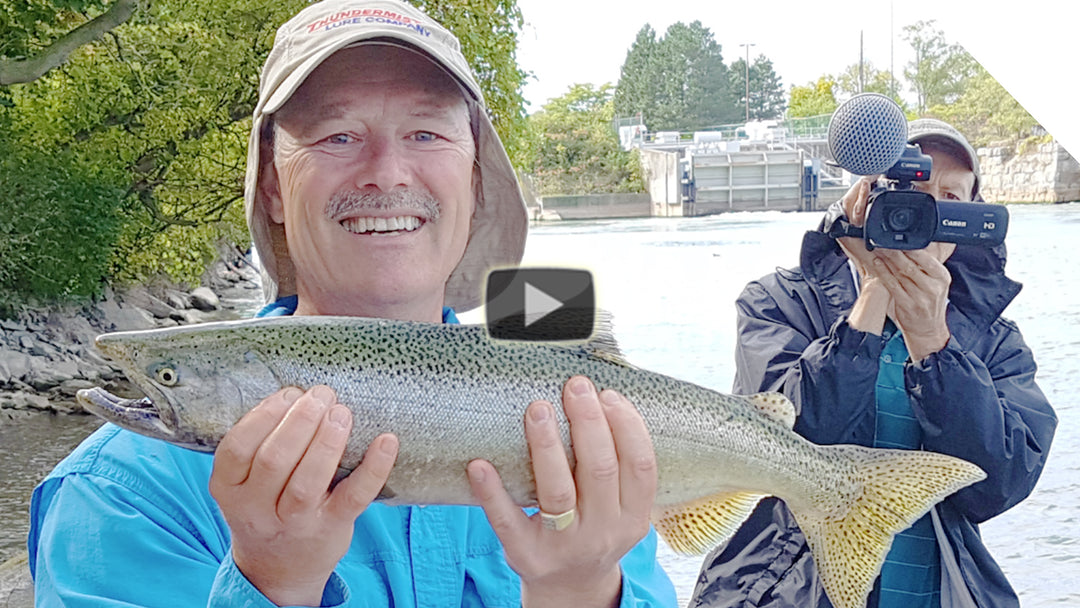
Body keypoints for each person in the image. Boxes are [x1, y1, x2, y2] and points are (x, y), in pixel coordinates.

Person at [27, 1, 676, 606]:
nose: (387, 172)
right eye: (337, 135)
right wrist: (271, 585)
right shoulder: (116, 499)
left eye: (425, 133)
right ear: (274, 185)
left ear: (475, 180)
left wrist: (582, 592)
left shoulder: (592, 438)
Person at [689, 119, 1057, 608]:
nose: (926, 213)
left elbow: (997, 488)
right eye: (913, 194)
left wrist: (933, 343)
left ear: (970, 218)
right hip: (783, 588)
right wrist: (870, 299)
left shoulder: (995, 339)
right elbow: (779, 443)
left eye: (951, 197)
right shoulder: (777, 302)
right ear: (866, 200)